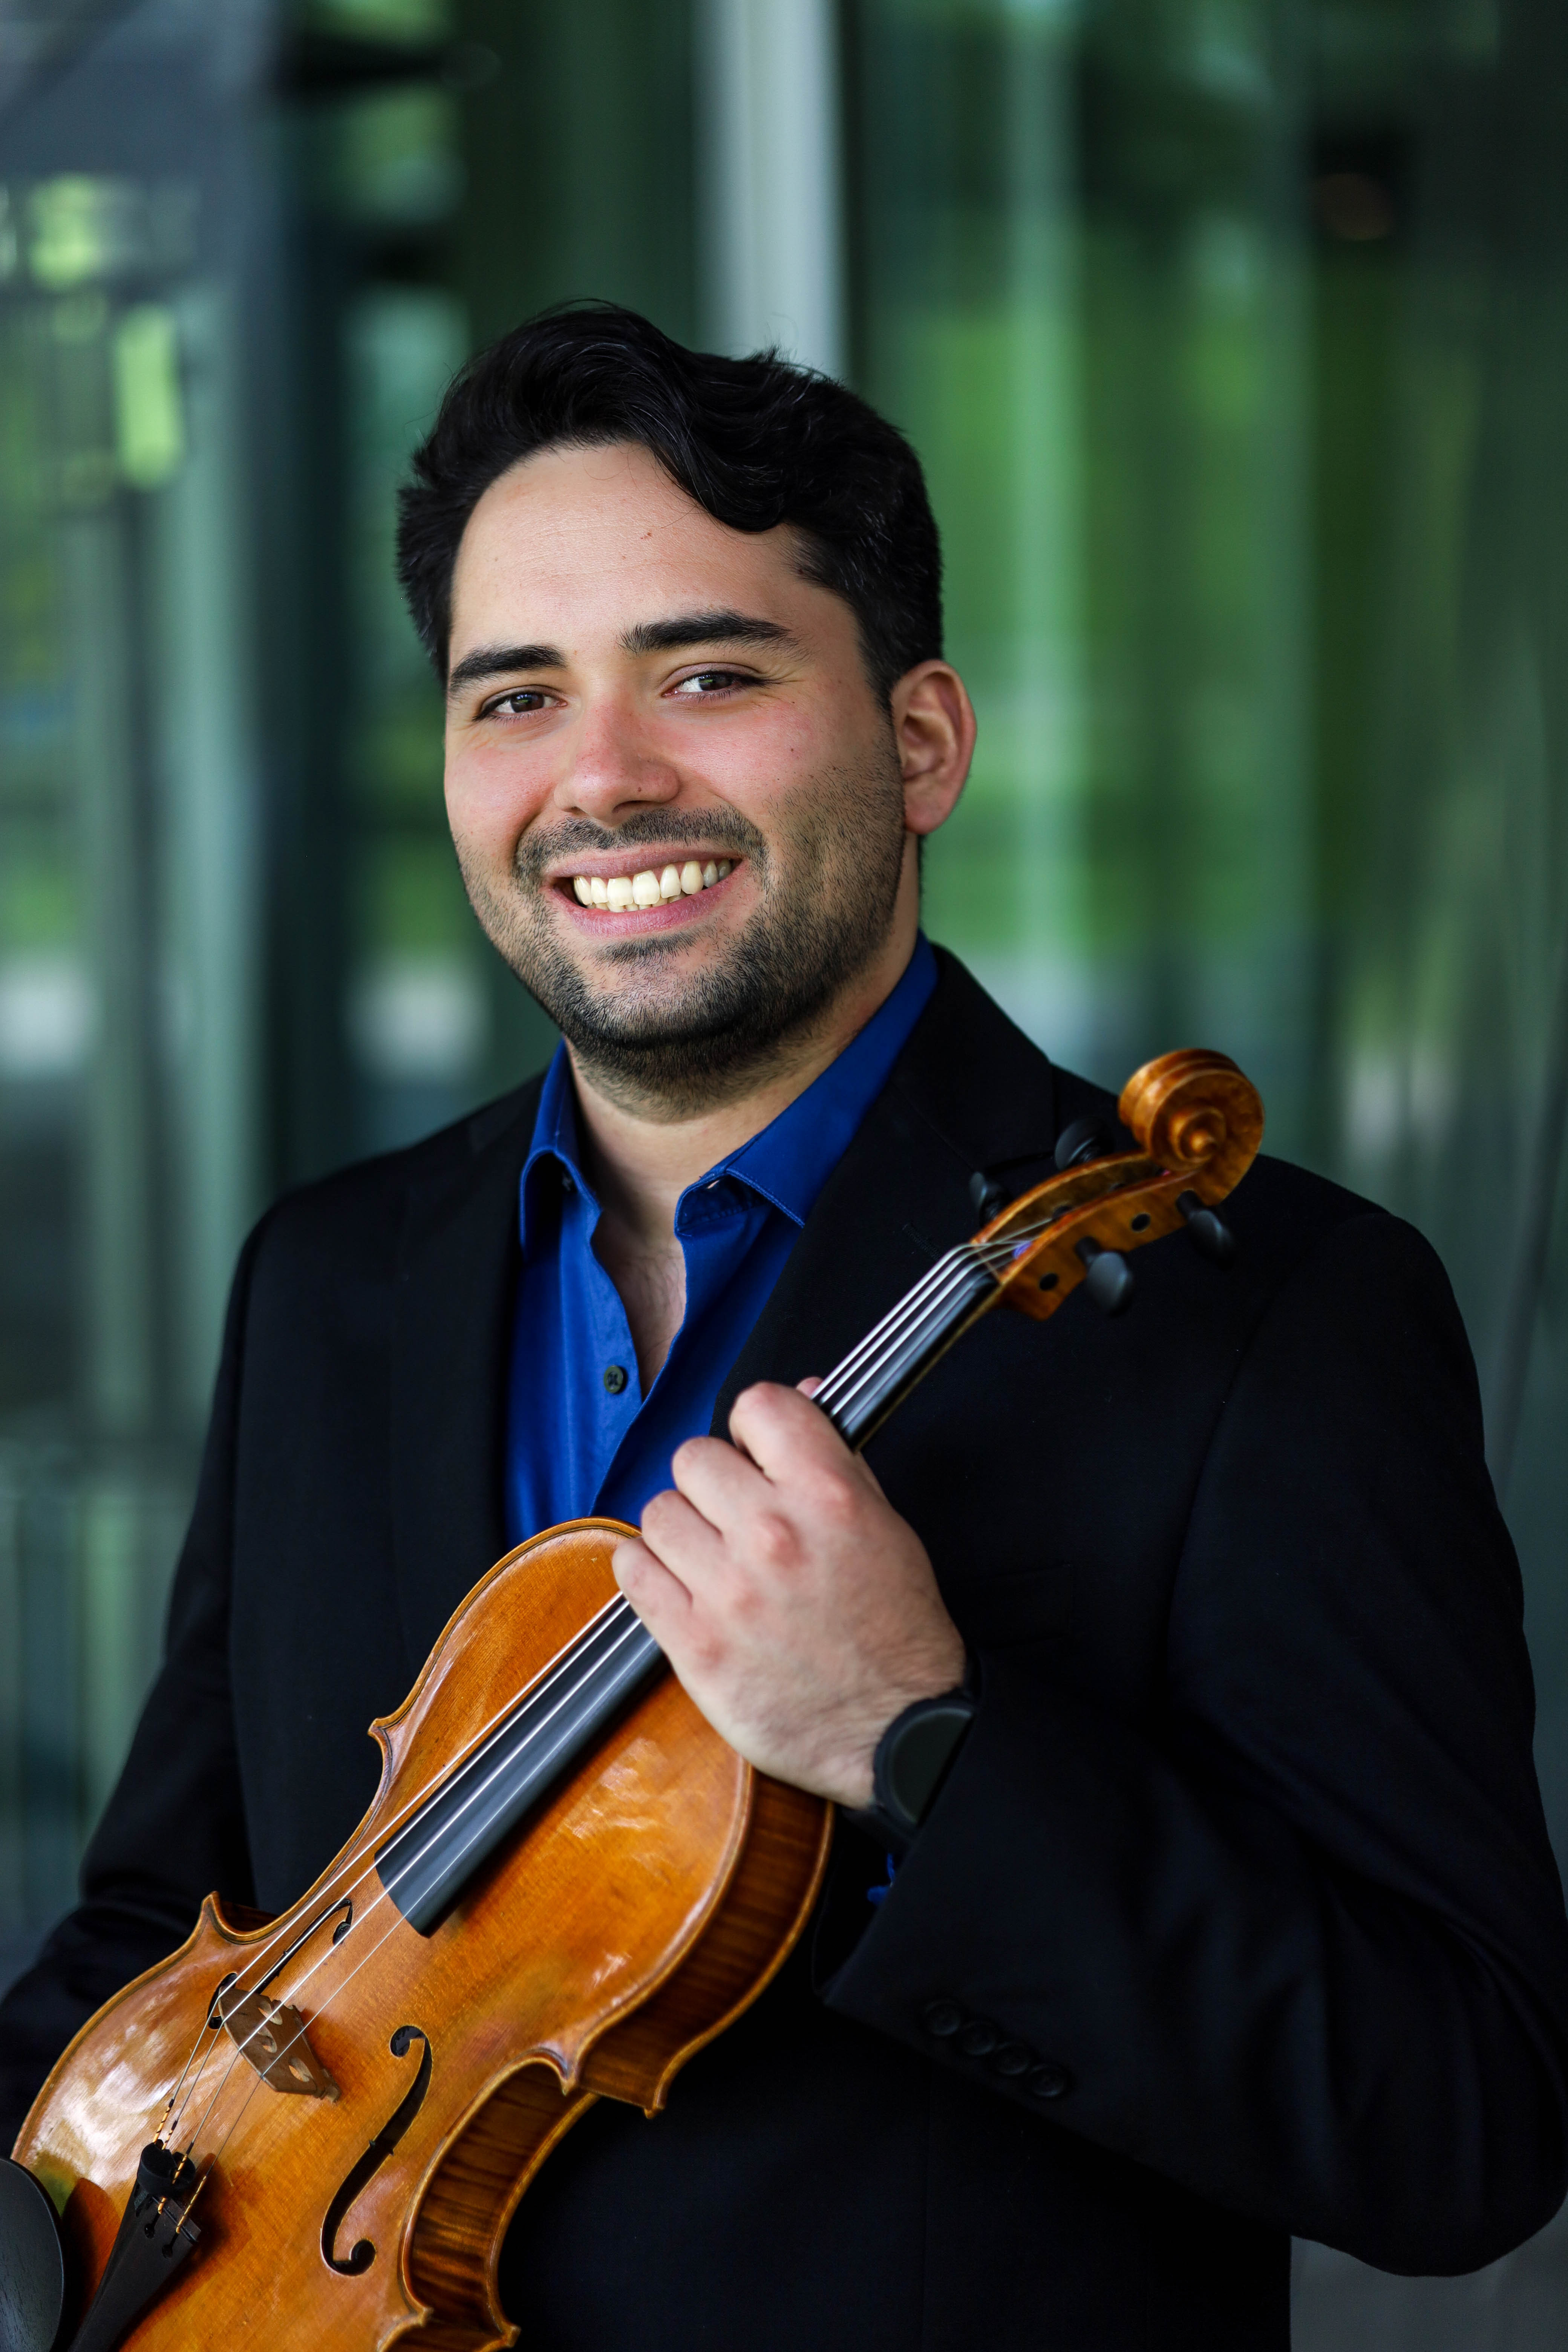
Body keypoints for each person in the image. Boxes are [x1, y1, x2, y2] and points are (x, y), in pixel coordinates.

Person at [3, 303, 1567, 2350]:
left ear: (921, 740)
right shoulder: (338, 1276)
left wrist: (922, 1745)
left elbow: (1456, 2123)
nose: (602, 779)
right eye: (515, 700)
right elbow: (180, 1929)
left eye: (709, 675)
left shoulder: (1265, 1311)